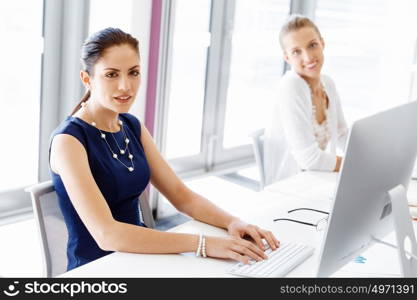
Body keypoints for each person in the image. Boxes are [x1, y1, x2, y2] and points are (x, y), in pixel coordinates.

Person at [49, 28, 279, 271]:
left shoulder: (130, 126)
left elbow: (182, 196)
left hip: (142, 258)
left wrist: (232, 222)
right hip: (99, 269)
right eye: (111, 75)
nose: (125, 86)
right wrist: (203, 244)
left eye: (133, 73)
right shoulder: (69, 141)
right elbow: (108, 235)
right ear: (87, 79)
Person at [264, 15, 348, 185]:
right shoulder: (292, 86)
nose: (308, 57)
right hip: (292, 186)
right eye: (296, 51)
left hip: (317, 179)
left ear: (322, 43)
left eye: (312, 45)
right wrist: (353, 165)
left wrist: (372, 157)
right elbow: (309, 159)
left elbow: (341, 134)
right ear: (287, 57)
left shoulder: (328, 83)